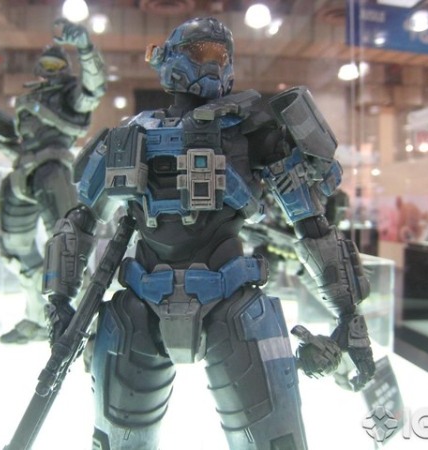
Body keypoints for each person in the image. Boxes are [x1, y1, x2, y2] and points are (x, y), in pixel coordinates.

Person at [43, 17, 375, 449]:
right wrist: (59, 303)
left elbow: (311, 223)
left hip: (231, 302)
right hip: (140, 305)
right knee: (118, 440)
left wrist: (350, 317)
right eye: (202, 53)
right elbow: (81, 222)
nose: (214, 64)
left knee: (274, 440)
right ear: (170, 60)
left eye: (222, 55)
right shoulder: (129, 135)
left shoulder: (253, 132)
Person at [0, 18, 107, 343]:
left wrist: (86, 49)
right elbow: (21, 146)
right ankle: (35, 318)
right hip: (22, 175)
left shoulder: (68, 96)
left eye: (56, 65)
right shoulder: (26, 104)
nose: (50, 70)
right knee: (15, 251)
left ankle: (89, 326)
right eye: (45, 64)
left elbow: (93, 89)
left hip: (52, 170)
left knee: (69, 249)